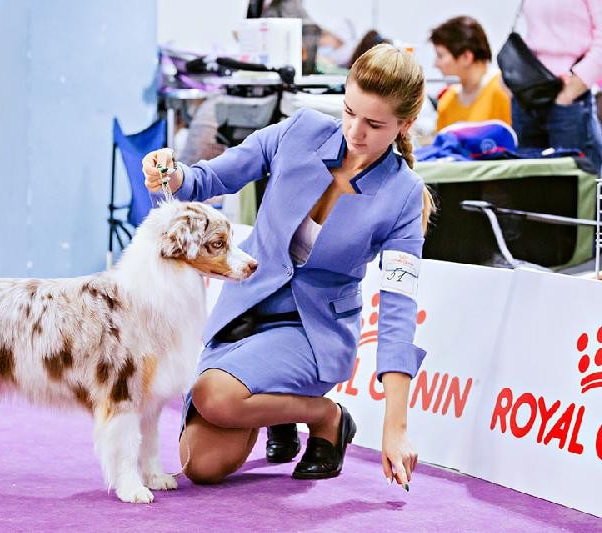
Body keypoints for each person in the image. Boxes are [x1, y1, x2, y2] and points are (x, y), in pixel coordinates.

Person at [143, 43, 432, 487]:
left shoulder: (405, 195)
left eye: (374, 125)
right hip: (244, 312)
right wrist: (173, 174)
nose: (355, 132)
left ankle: (325, 416)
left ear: (405, 124)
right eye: (349, 112)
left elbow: (398, 310)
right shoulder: (301, 130)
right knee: (201, 466)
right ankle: (279, 406)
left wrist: (396, 427)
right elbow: (214, 176)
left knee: (213, 395)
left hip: (312, 333)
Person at [511, 0, 602, 173]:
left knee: (577, 179)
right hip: (529, 94)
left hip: (569, 93)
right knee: (528, 180)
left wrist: (572, 89)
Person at [430, 16, 512, 131]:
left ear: (466, 57)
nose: (436, 64)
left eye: (440, 56)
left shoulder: (504, 92)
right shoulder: (447, 101)